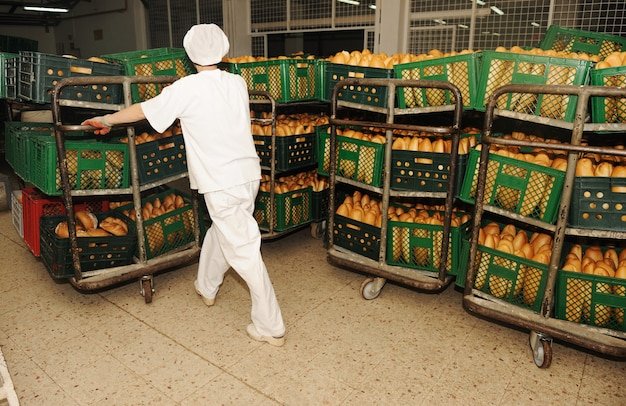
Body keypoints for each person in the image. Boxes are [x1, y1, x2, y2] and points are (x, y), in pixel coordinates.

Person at [81, 24, 286, 347]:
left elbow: (143, 111)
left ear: (189, 54)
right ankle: (207, 286)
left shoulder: (186, 88)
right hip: (247, 175)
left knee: (244, 250)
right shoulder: (237, 82)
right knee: (223, 231)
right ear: (223, 49)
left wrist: (106, 120)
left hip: (220, 181)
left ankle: (270, 325)